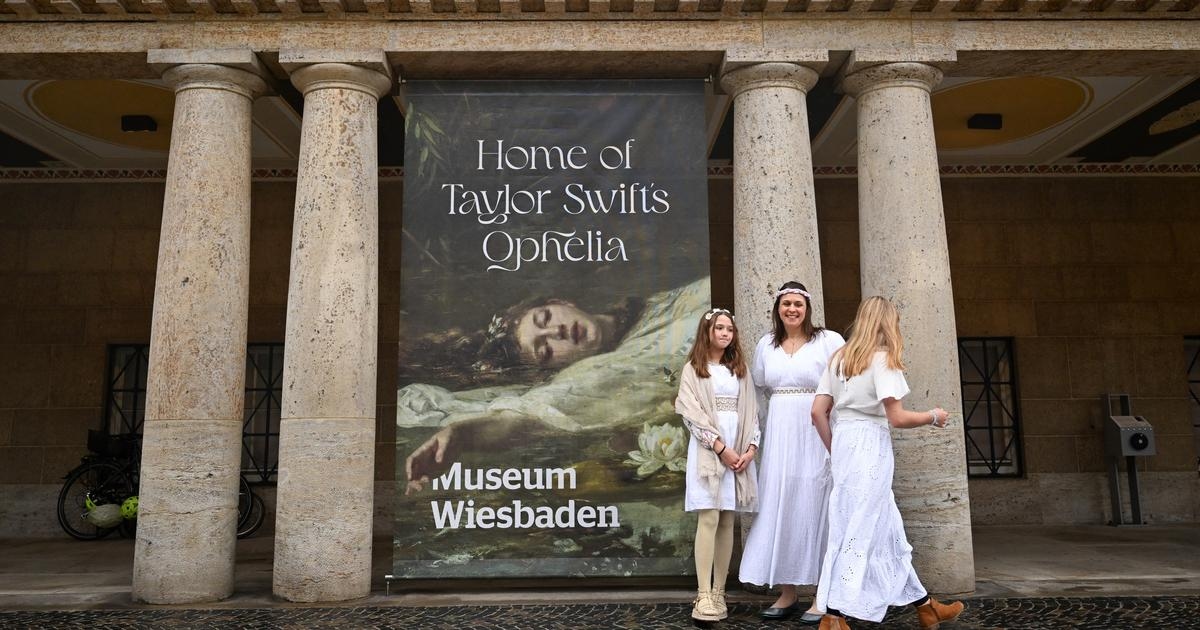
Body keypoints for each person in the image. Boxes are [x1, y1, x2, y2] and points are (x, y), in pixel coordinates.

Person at [399, 276, 709, 494]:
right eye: (544, 349)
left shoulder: (652, 306)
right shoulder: (596, 375)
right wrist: (462, 435)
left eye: (545, 318)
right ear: (556, 368)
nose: (557, 332)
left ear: (560, 302)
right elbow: (531, 416)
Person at [809, 296, 964, 630]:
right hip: (870, 446)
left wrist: (836, 450)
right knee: (860, 527)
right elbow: (897, 418)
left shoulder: (839, 357)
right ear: (888, 323)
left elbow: (817, 412)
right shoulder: (883, 360)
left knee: (886, 527)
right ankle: (834, 614)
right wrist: (933, 417)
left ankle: (926, 606)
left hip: (845, 445)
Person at [739, 281, 845, 624]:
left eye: (798, 304)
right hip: (781, 431)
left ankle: (821, 594)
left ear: (807, 308)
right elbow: (758, 390)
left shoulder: (828, 341)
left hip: (817, 428)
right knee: (781, 503)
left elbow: (844, 386)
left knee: (817, 503)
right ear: (778, 308)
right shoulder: (766, 345)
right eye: (786, 304)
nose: (792, 310)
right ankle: (787, 591)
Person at [675, 308, 760, 622]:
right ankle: (703, 595)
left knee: (727, 520)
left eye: (729, 329)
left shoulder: (739, 370)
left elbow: (751, 411)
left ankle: (720, 591)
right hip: (708, 453)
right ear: (707, 332)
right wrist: (720, 447)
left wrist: (749, 449)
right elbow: (691, 415)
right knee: (708, 518)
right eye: (719, 328)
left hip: (737, 452)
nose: (725, 333)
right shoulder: (693, 370)